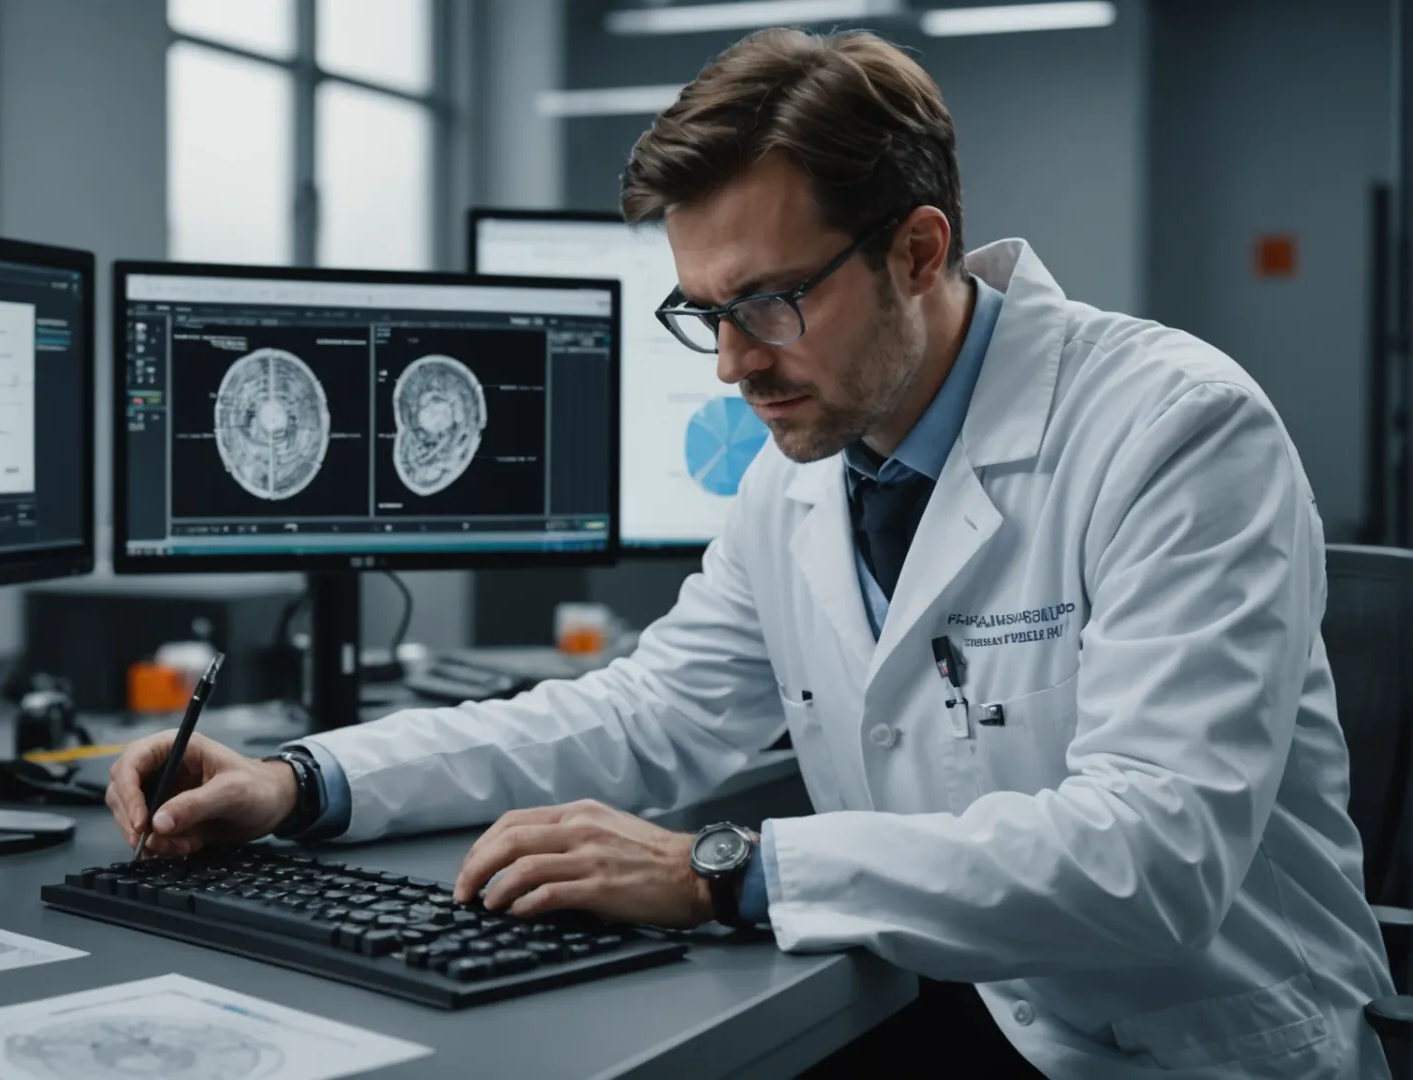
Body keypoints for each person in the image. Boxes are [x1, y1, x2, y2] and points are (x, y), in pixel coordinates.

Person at [107, 26, 1395, 1078]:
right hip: (975, 1010)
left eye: (768, 303)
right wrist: (303, 780)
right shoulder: (811, 470)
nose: (731, 365)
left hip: (1204, 1054)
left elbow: (1151, 863)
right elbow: (644, 713)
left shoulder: (1175, 429)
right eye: (703, 313)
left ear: (919, 248)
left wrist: (722, 869)